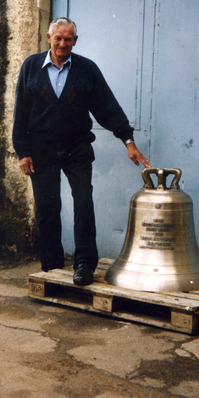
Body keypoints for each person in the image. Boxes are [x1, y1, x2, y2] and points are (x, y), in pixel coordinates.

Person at [12, 17, 150, 286]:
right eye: (58, 38)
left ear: (75, 41)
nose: (63, 43)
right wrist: (23, 151)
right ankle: (51, 266)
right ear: (49, 38)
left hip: (77, 147)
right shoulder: (31, 66)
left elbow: (107, 107)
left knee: (84, 202)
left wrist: (128, 141)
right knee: (47, 208)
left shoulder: (87, 69)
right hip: (41, 149)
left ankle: (85, 263)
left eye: (68, 39)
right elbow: (21, 112)